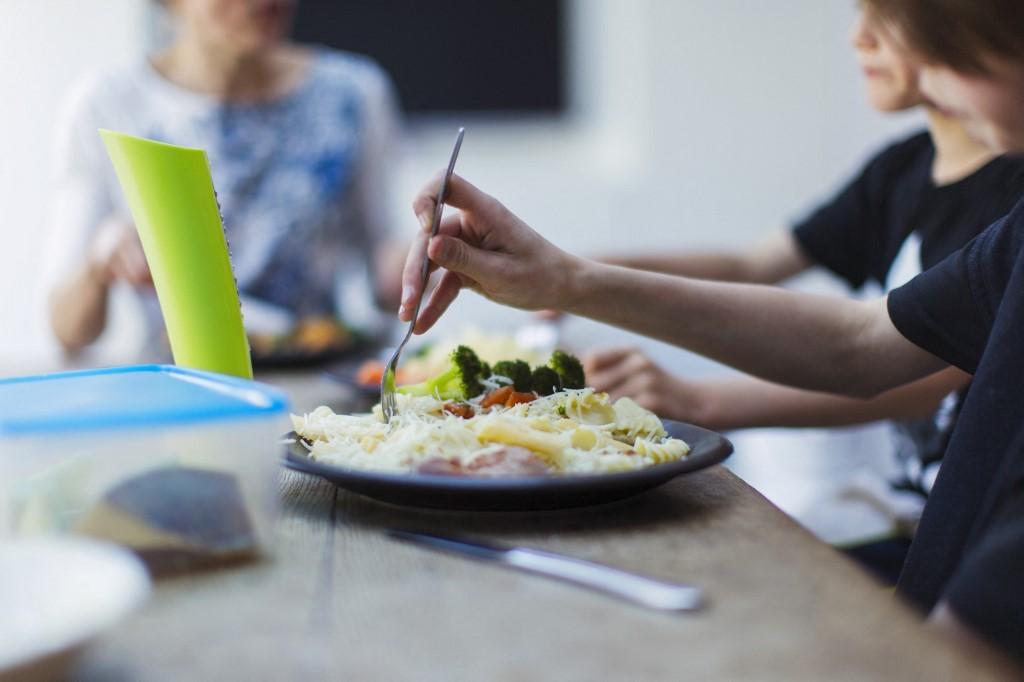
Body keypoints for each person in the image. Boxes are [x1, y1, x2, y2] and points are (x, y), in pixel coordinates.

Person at [398, 0, 1024, 661]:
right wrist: (565, 275)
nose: (918, 71)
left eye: (929, 48)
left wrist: (698, 399)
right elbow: (859, 342)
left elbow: (916, 368)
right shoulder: (931, 186)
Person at [581, 6, 1024, 574]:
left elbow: (913, 371)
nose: (857, 38)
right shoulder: (900, 169)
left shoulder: (1007, 196)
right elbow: (749, 265)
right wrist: (576, 267)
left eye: (884, 21)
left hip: (951, 540)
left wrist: (697, 400)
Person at [46, 0, 405, 358]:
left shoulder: (353, 94)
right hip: (180, 386)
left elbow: (387, 276)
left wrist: (410, 269)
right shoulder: (109, 103)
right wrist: (99, 263)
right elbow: (67, 329)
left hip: (317, 387)